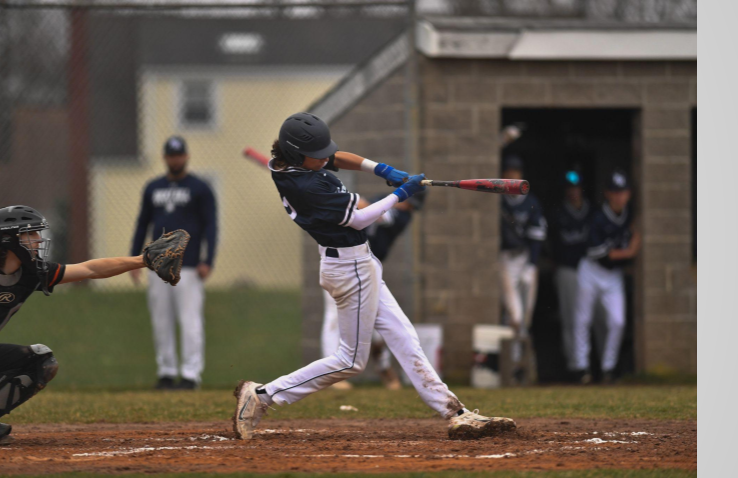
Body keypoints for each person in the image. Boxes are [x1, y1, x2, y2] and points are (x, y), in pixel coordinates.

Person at [232, 112, 515, 441]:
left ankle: (456, 413)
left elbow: (335, 157)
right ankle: (262, 396)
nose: (326, 157)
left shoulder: (292, 164)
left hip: (357, 263)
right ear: (298, 156)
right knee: (350, 361)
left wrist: (382, 169)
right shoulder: (309, 185)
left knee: (404, 338)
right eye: (318, 154)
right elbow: (362, 219)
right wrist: (401, 194)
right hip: (348, 268)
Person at [0, 205, 164, 444]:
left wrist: (143, 260)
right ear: (10, 239)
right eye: (31, 234)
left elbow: (89, 269)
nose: (38, 239)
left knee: (42, 361)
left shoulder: (30, 274)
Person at [126, 135, 217, 390]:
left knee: (190, 321)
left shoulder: (200, 188)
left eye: (179, 155)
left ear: (186, 156)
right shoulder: (153, 187)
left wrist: (207, 260)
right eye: (170, 155)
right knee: (161, 320)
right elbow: (142, 224)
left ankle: (190, 375)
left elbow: (211, 226)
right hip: (158, 266)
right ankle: (166, 371)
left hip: (188, 267)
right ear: (165, 157)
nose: (175, 159)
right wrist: (134, 260)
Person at [318, 191, 421, 391]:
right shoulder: (383, 200)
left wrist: (339, 195)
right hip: (342, 264)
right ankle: (333, 376)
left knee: (374, 325)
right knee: (333, 317)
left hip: (366, 270)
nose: (404, 204)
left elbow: (371, 210)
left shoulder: (401, 216)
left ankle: (383, 367)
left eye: (408, 203)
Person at [571, 171, 640, 384]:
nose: (619, 197)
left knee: (617, 321)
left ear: (628, 194)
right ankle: (582, 369)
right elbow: (597, 252)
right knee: (583, 319)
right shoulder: (598, 217)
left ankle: (608, 368)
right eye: (615, 192)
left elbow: (635, 231)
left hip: (613, 275)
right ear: (608, 194)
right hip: (591, 271)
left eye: (623, 192)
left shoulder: (630, 215)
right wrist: (629, 251)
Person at [497, 155, 544, 384]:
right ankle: (517, 365)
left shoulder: (530, 201)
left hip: (526, 259)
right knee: (514, 316)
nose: (512, 176)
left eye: (516, 172)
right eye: (509, 171)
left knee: (525, 317)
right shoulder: (498, 200)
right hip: (506, 259)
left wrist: (532, 265)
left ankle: (522, 365)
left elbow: (537, 236)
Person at [548, 170, 592, 381]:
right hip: (566, 269)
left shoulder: (591, 211)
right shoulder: (558, 213)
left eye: (577, 188)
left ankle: (595, 366)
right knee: (570, 319)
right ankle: (575, 367)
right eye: (570, 188)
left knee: (592, 319)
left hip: (590, 270)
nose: (574, 192)